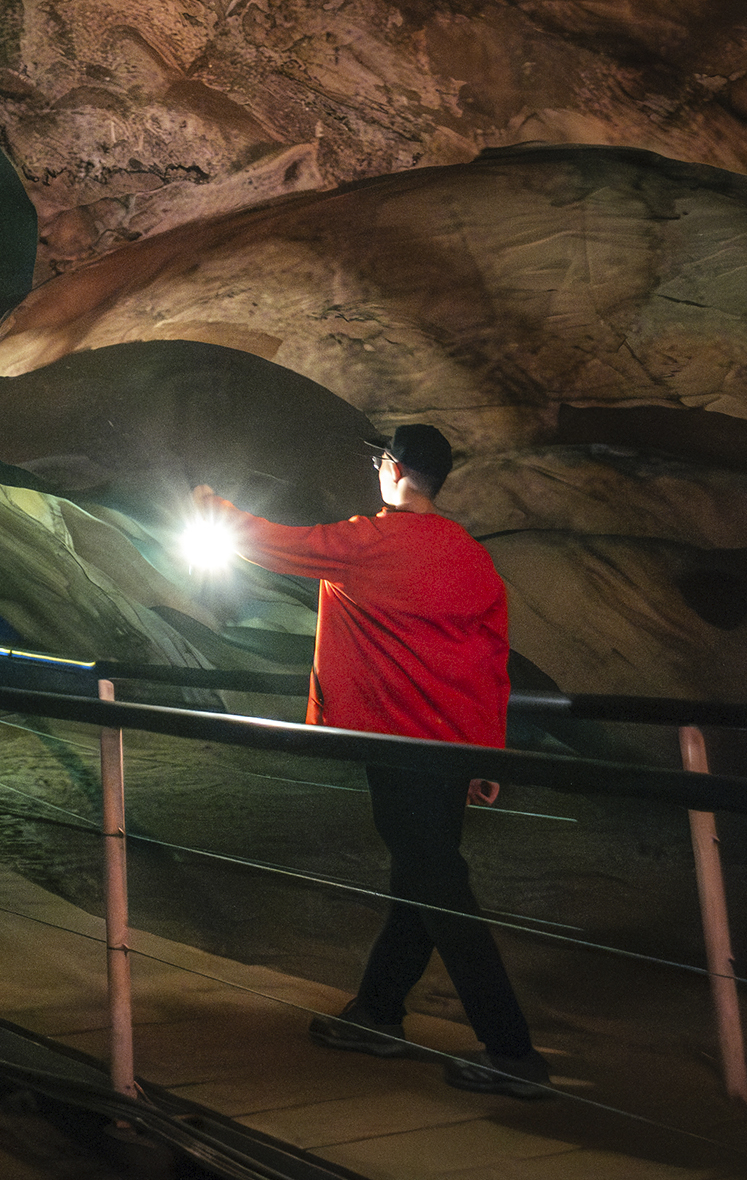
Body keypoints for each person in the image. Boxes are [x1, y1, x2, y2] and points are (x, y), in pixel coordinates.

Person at [191, 422, 552, 1096]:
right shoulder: (471, 558)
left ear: (390, 468)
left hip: (396, 745)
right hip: (450, 750)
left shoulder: (371, 542)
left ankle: (512, 1050)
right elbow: (491, 663)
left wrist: (215, 511)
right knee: (422, 879)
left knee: (440, 888)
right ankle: (377, 1013)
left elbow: (280, 544)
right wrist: (488, 754)